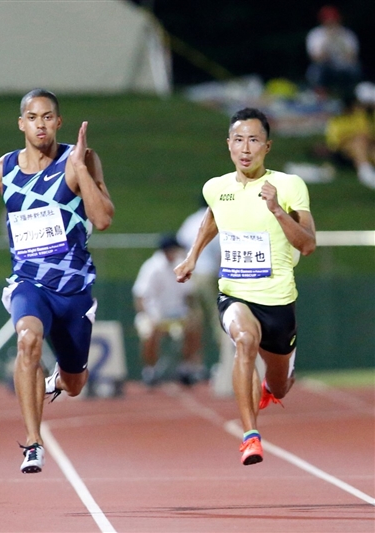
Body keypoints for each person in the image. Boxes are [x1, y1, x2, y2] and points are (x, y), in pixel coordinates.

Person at [0, 89, 114, 473]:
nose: (40, 124)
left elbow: (103, 219)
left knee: (76, 383)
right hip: (29, 283)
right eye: (33, 117)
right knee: (27, 339)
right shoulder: (1, 169)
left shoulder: (81, 159)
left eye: (48, 117)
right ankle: (33, 442)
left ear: (58, 122)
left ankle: (57, 382)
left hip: (74, 289)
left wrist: (80, 170)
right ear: (21, 123)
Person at [174, 108, 316, 466]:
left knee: (280, 385)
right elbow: (213, 216)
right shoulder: (216, 187)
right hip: (235, 293)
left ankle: (273, 386)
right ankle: (250, 435)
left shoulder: (289, 185)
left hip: (279, 301)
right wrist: (192, 257)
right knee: (244, 340)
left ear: (267, 146)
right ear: (228, 145)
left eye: (253, 140)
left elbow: (308, 244)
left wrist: (277, 211)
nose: (245, 148)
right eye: (238, 140)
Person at [177, 199, 236, 395]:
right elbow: (222, 253)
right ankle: (225, 364)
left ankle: (194, 365)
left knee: (194, 321)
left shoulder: (190, 221)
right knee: (217, 319)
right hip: (211, 274)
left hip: (191, 274)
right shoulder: (219, 219)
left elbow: (182, 248)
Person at [132, 234, 204, 387]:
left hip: (177, 313)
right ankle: (150, 370)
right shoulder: (151, 267)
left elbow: (188, 294)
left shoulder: (180, 264)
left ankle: (186, 368)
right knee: (149, 332)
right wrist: (146, 315)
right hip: (155, 314)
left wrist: (192, 312)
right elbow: (140, 295)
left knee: (194, 328)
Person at [305, 5, 361, 99]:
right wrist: (328, 40)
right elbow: (316, 58)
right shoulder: (316, 34)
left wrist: (339, 40)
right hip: (325, 67)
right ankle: (320, 97)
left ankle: (350, 98)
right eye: (328, 20)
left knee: (354, 68)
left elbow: (352, 58)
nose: (331, 23)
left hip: (342, 67)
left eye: (333, 20)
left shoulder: (347, 34)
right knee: (315, 70)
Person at [324, 90, 375, 189]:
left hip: (365, 146)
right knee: (358, 143)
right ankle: (365, 172)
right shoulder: (337, 120)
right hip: (344, 152)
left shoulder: (361, 116)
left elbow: (368, 133)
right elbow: (334, 144)